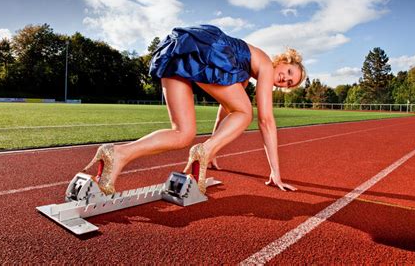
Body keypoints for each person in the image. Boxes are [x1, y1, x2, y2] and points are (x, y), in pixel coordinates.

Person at [83, 24, 306, 195]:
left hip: (179, 47)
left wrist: (214, 147)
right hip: (210, 48)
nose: (284, 80)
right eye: (288, 73)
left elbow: (226, 110)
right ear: (282, 61)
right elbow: (265, 120)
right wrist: (275, 171)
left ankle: (118, 154)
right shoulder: (265, 64)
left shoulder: (241, 77)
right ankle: (203, 151)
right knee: (246, 112)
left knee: (183, 134)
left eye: (289, 83)